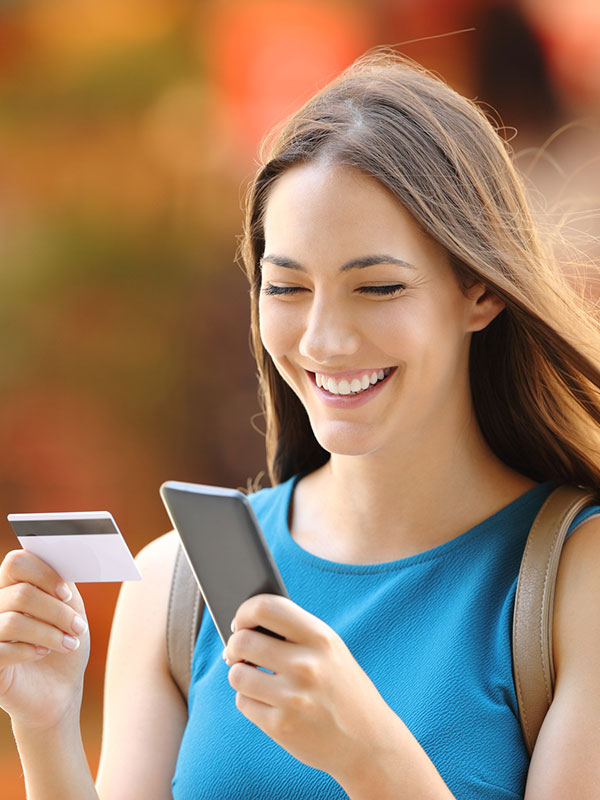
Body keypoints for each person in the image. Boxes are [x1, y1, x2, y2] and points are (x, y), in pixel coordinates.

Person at [1, 50, 600, 800]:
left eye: (376, 287)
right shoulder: (175, 586)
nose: (323, 340)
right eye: (286, 287)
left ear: (478, 290)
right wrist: (47, 727)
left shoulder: (575, 582)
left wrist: (370, 755)